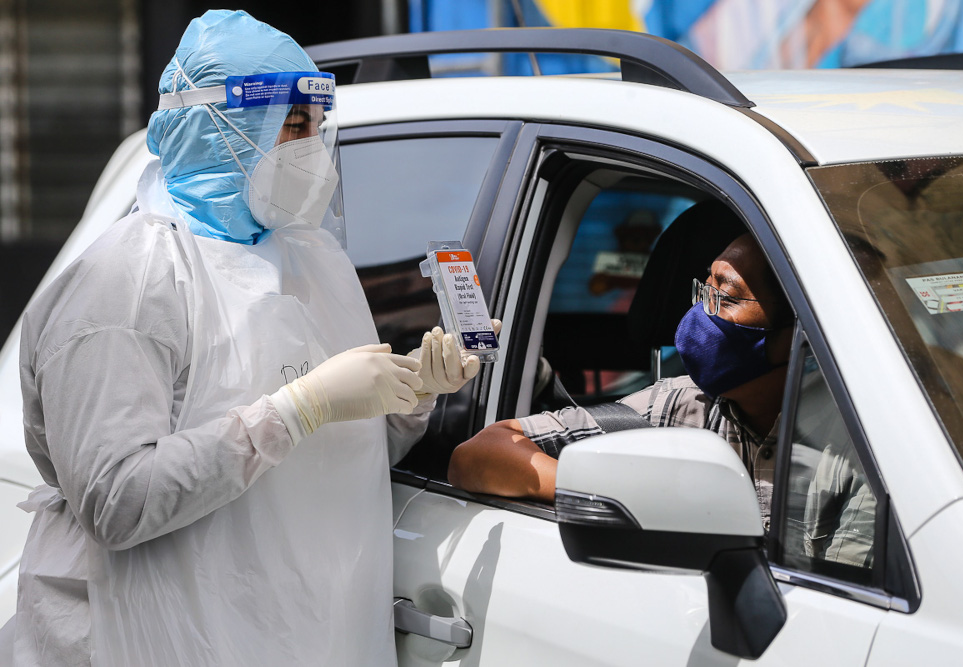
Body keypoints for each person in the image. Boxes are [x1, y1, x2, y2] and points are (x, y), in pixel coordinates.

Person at [11, 10, 487, 665]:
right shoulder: (128, 282)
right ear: (217, 129)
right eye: (293, 125)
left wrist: (413, 392)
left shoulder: (315, 261)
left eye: (317, 128)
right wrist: (298, 407)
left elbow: (342, 458)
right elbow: (116, 499)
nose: (311, 149)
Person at [449, 231, 794, 529]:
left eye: (726, 298)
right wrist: (613, 495)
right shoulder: (681, 407)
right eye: (703, 291)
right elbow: (476, 455)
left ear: (796, 331)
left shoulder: (841, 435)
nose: (701, 314)